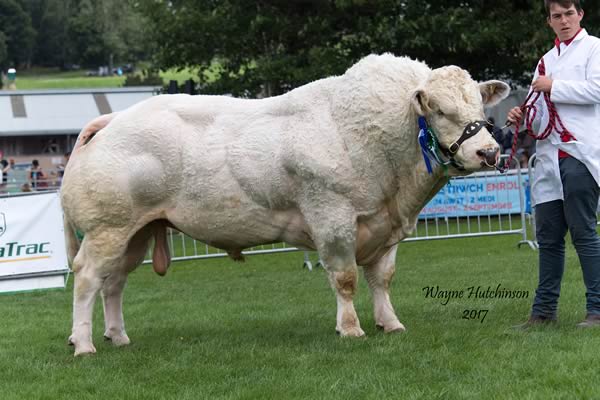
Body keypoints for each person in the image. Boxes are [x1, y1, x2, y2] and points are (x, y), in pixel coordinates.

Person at [508, 0, 600, 328]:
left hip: (580, 153)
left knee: (583, 232)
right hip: (548, 158)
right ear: (549, 21)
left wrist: (554, 87)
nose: (563, 20)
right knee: (547, 237)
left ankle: (597, 310)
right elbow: (539, 113)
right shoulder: (545, 61)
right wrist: (523, 115)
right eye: (556, 16)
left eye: (568, 14)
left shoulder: (594, 48)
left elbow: (597, 89)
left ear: (580, 14)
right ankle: (543, 313)